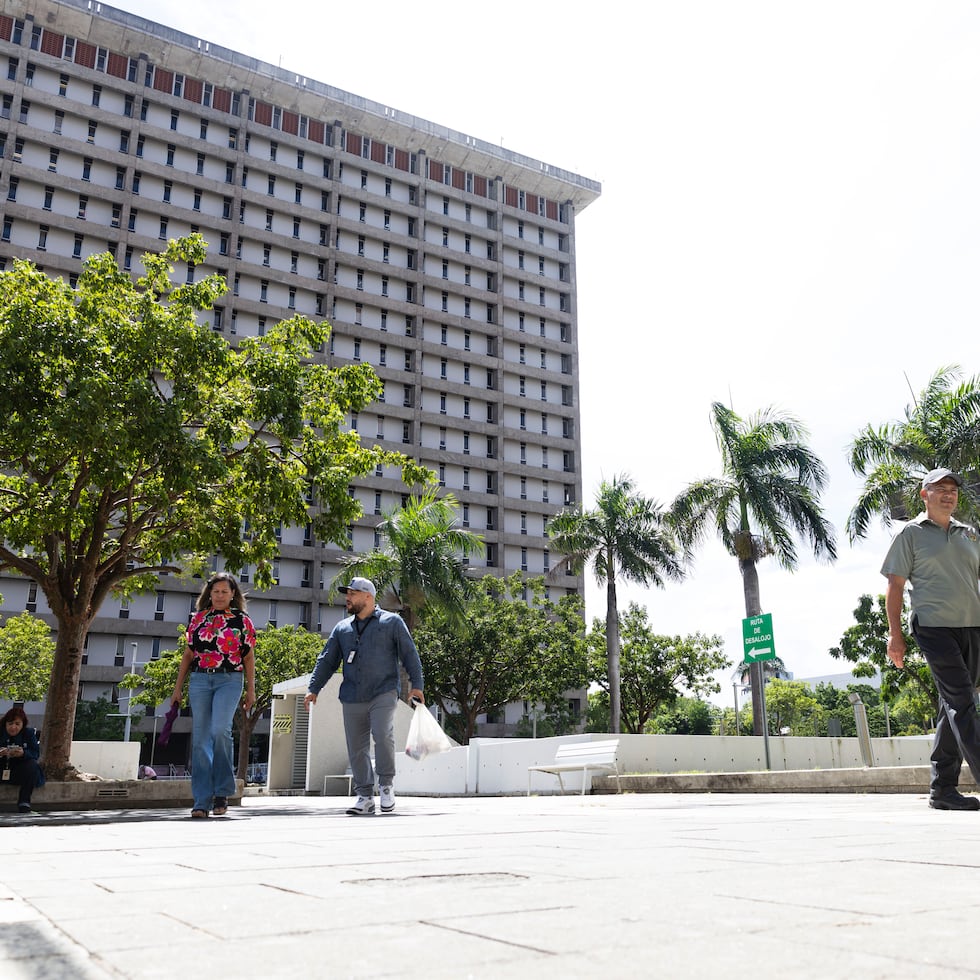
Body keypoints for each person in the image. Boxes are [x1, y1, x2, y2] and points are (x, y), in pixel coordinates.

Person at [882, 467, 980, 811]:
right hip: (934, 627)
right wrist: (896, 636)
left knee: (951, 708)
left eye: (952, 489)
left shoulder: (969, 534)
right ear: (925, 495)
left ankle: (943, 790)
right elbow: (894, 587)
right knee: (963, 704)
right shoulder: (910, 534)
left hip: (972, 627)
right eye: (939, 489)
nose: (948, 494)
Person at [305, 577, 424, 816]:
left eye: (353, 593)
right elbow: (327, 660)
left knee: (382, 733)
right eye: (347, 594)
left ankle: (387, 785)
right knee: (356, 748)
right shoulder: (342, 628)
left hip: (384, 691)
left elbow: (409, 654)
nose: (347, 598)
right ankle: (365, 796)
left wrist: (417, 684)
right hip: (351, 694)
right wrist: (313, 688)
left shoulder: (392, 622)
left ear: (368, 596)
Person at [171, 572, 256, 818]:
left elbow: (248, 657)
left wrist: (251, 689)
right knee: (199, 740)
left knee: (220, 731)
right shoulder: (197, 619)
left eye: (224, 592)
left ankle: (222, 792)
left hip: (229, 679)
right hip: (199, 679)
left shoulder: (242, 621)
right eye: (215, 591)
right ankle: (201, 800)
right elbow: (188, 655)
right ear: (209, 593)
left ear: (233, 595)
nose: (219, 596)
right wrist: (178, 688)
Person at [0, 706, 45, 813]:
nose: (13, 727)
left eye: (17, 724)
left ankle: (24, 802)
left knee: (32, 765)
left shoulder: (29, 734)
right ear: (5, 724)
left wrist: (23, 753)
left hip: (19, 771)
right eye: (10, 724)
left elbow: (35, 753)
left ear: (22, 724)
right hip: (2, 768)